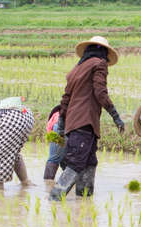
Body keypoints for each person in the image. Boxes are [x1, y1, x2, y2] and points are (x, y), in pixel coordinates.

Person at [50, 36, 125, 201]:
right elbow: (100, 92)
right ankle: (54, 198)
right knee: (76, 163)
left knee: (90, 162)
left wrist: (62, 125)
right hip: (85, 122)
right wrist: (116, 116)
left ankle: (84, 202)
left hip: (74, 123)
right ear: (104, 53)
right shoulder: (100, 64)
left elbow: (65, 100)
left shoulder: (76, 69)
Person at [43, 105, 67, 180]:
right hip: (63, 125)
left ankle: (47, 185)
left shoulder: (57, 114)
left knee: (55, 158)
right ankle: (48, 185)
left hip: (62, 125)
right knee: (62, 159)